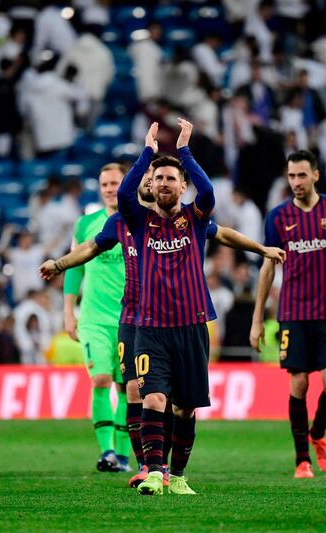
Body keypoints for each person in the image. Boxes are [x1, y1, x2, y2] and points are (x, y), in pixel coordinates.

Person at [40, 171, 284, 487]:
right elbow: (89, 248)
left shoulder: (176, 220)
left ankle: (166, 467)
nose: (153, 182)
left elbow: (221, 233)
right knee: (136, 391)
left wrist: (261, 249)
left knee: (175, 403)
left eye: (160, 177)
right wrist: (60, 266)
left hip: (178, 318)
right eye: (151, 177)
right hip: (134, 318)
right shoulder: (122, 221)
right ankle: (145, 465)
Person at [118, 119, 214, 496]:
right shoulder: (139, 222)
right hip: (151, 328)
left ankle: (178, 475)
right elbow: (126, 194)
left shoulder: (196, 218)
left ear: (181, 186)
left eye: (171, 179)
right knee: (154, 397)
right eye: (158, 179)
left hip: (191, 326)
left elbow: (207, 189)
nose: (163, 184)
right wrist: (147, 154)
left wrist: (185, 151)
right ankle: (154, 471)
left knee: (185, 409)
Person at [249, 150, 326, 479]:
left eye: (302, 175)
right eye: (291, 176)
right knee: (299, 383)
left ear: (316, 175)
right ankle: (302, 459)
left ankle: (317, 433)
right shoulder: (277, 217)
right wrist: (258, 318)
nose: (296, 182)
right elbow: (267, 267)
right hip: (294, 312)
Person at [60, 162, 133, 473]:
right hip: (93, 318)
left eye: (115, 182)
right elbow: (75, 268)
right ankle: (107, 452)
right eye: (104, 184)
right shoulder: (85, 224)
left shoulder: (136, 221)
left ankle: (125, 454)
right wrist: (68, 312)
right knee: (101, 379)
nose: (109, 188)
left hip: (129, 318)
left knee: (128, 387)